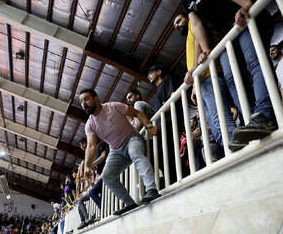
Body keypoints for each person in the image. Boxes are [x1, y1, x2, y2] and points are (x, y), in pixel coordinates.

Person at [181, 0, 278, 148]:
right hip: (225, 36)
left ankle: (265, 113)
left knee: (255, 62)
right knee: (232, 79)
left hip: (242, 17)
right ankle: (252, 119)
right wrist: (205, 50)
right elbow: (197, 24)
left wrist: (245, 3)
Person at [79, 88, 160, 216]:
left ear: (96, 98)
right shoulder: (90, 124)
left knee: (135, 153)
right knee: (106, 176)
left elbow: (137, 113)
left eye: (86, 99)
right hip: (116, 151)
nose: (84, 103)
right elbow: (91, 145)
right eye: (81, 101)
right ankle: (129, 203)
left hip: (131, 139)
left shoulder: (113, 106)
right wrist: (87, 166)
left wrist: (149, 126)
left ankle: (151, 189)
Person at [173, 13, 240, 151]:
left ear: (186, 17)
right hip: (200, 82)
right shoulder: (187, 38)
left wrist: (194, 69)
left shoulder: (193, 22)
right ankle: (230, 151)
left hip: (209, 77)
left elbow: (199, 40)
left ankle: (238, 145)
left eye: (179, 21)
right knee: (214, 125)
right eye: (175, 25)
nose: (177, 25)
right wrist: (194, 86)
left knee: (220, 117)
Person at [147, 65, 185, 184]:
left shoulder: (167, 79)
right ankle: (171, 178)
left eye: (150, 73)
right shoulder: (157, 91)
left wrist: (169, 103)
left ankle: (176, 178)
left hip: (170, 122)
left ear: (159, 72)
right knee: (159, 154)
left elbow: (173, 94)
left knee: (169, 153)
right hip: (161, 126)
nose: (148, 76)